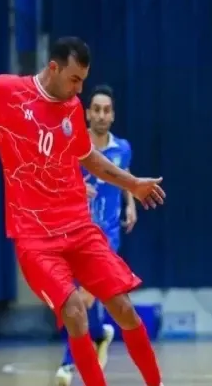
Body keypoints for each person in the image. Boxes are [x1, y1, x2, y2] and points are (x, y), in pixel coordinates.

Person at [0, 17, 165, 386]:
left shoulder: (72, 106)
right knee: (75, 312)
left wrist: (132, 184)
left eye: (83, 81)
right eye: (74, 79)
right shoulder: (7, 93)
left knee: (123, 308)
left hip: (80, 228)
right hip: (36, 239)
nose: (79, 89)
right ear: (53, 68)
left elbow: (88, 157)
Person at [55, 84, 136, 386]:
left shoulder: (122, 149)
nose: (101, 115)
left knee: (84, 297)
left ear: (112, 115)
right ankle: (100, 333)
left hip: (106, 236)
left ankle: (67, 363)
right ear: (88, 113)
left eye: (107, 110)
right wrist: (76, 187)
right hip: (74, 232)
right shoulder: (73, 146)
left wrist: (130, 204)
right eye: (97, 110)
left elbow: (125, 177)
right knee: (77, 296)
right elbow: (55, 181)